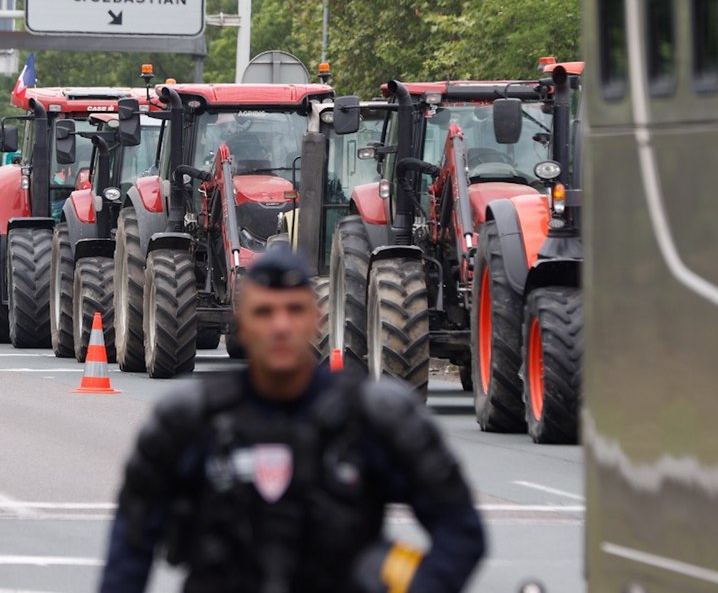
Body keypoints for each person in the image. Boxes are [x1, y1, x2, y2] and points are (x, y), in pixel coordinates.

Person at [100, 248, 485, 593]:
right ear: (242, 324)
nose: (280, 326)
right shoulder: (188, 419)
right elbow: (131, 542)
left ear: (316, 319)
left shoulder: (373, 416)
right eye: (264, 312)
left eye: (294, 310)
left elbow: (461, 531)